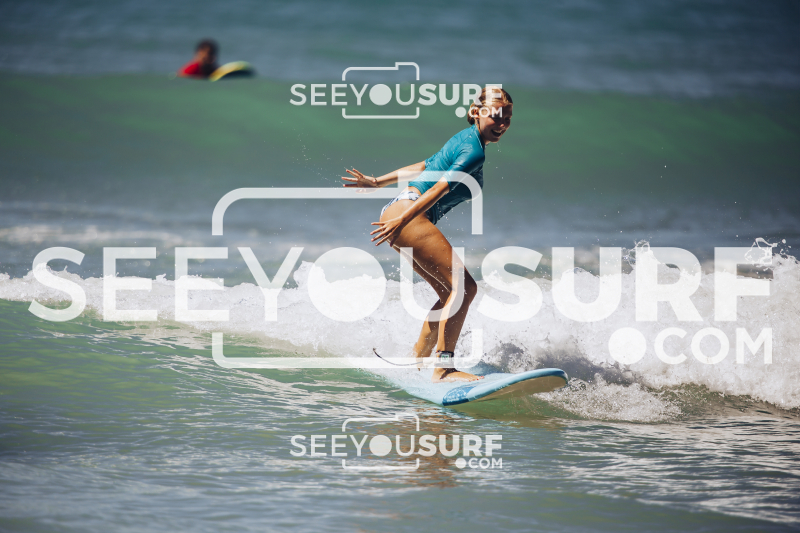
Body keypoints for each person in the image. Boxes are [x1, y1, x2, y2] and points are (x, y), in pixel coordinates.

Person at [342, 87, 513, 382]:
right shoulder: (473, 151)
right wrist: (404, 219)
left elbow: (424, 166)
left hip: (400, 209)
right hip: (408, 214)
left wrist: (379, 182)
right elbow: (439, 188)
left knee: (449, 293)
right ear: (476, 112)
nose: (502, 124)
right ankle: (443, 368)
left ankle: (418, 361)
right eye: (496, 116)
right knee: (465, 288)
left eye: (507, 118)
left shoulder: (464, 138)